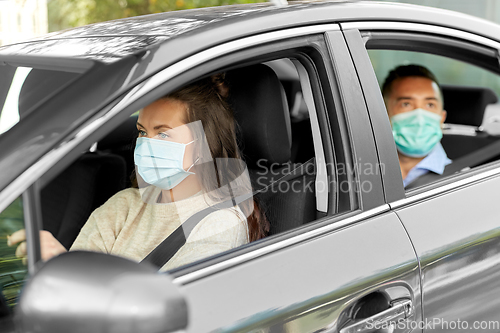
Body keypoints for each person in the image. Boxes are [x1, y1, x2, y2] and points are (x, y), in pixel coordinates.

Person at [8, 74, 269, 270]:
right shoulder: (123, 205)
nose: (147, 143)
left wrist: (65, 264)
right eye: (143, 131)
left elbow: (169, 313)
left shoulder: (221, 223)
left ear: (203, 144)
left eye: (163, 132)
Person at [382, 64, 451, 188]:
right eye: (406, 104)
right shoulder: (357, 171)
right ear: (384, 114)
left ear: (442, 118)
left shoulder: (464, 181)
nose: (419, 117)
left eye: (430, 105)